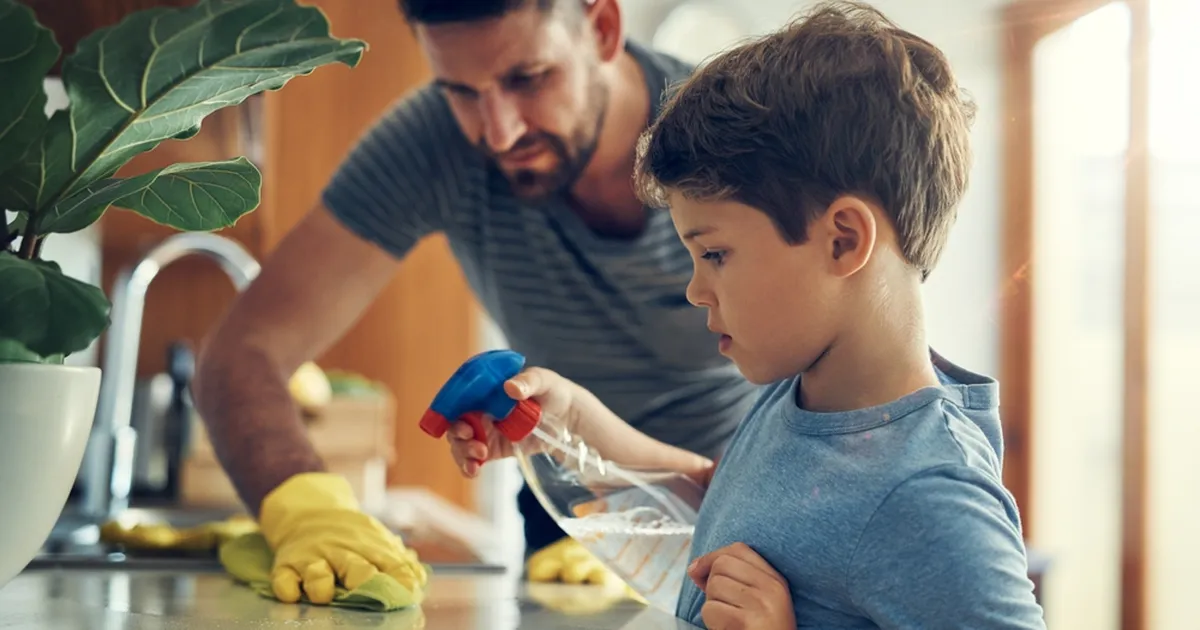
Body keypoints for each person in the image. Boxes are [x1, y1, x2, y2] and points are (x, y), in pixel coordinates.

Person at [446, 1, 1048, 628]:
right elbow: (730, 505)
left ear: (843, 240)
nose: (696, 291)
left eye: (715, 254)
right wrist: (570, 427)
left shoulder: (928, 496)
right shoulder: (806, 394)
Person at [192, 0, 760, 605]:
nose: (499, 132)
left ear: (602, 28)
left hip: (751, 502)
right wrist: (306, 509)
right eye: (460, 91)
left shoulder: (731, 141)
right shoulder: (430, 141)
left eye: (528, 79)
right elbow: (243, 352)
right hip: (571, 514)